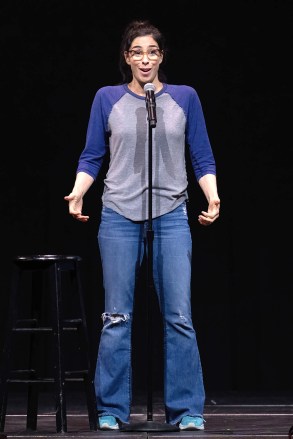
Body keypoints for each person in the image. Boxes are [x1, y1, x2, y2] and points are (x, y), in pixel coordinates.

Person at [64, 19, 220, 431]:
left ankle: (187, 410)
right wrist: (79, 191)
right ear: (126, 58)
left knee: (179, 316)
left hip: (171, 213)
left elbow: (201, 155)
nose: (145, 59)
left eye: (152, 51)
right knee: (116, 316)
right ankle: (111, 410)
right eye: (137, 52)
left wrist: (212, 194)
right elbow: (93, 154)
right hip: (118, 213)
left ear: (161, 56)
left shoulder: (184, 98)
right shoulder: (107, 98)